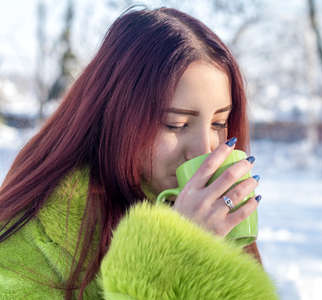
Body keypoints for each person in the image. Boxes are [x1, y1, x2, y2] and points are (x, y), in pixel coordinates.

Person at [0, 6, 278, 300]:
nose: (205, 150)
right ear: (118, 117)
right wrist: (170, 255)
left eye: (219, 123)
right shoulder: (36, 235)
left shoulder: (215, 222)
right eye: (177, 124)